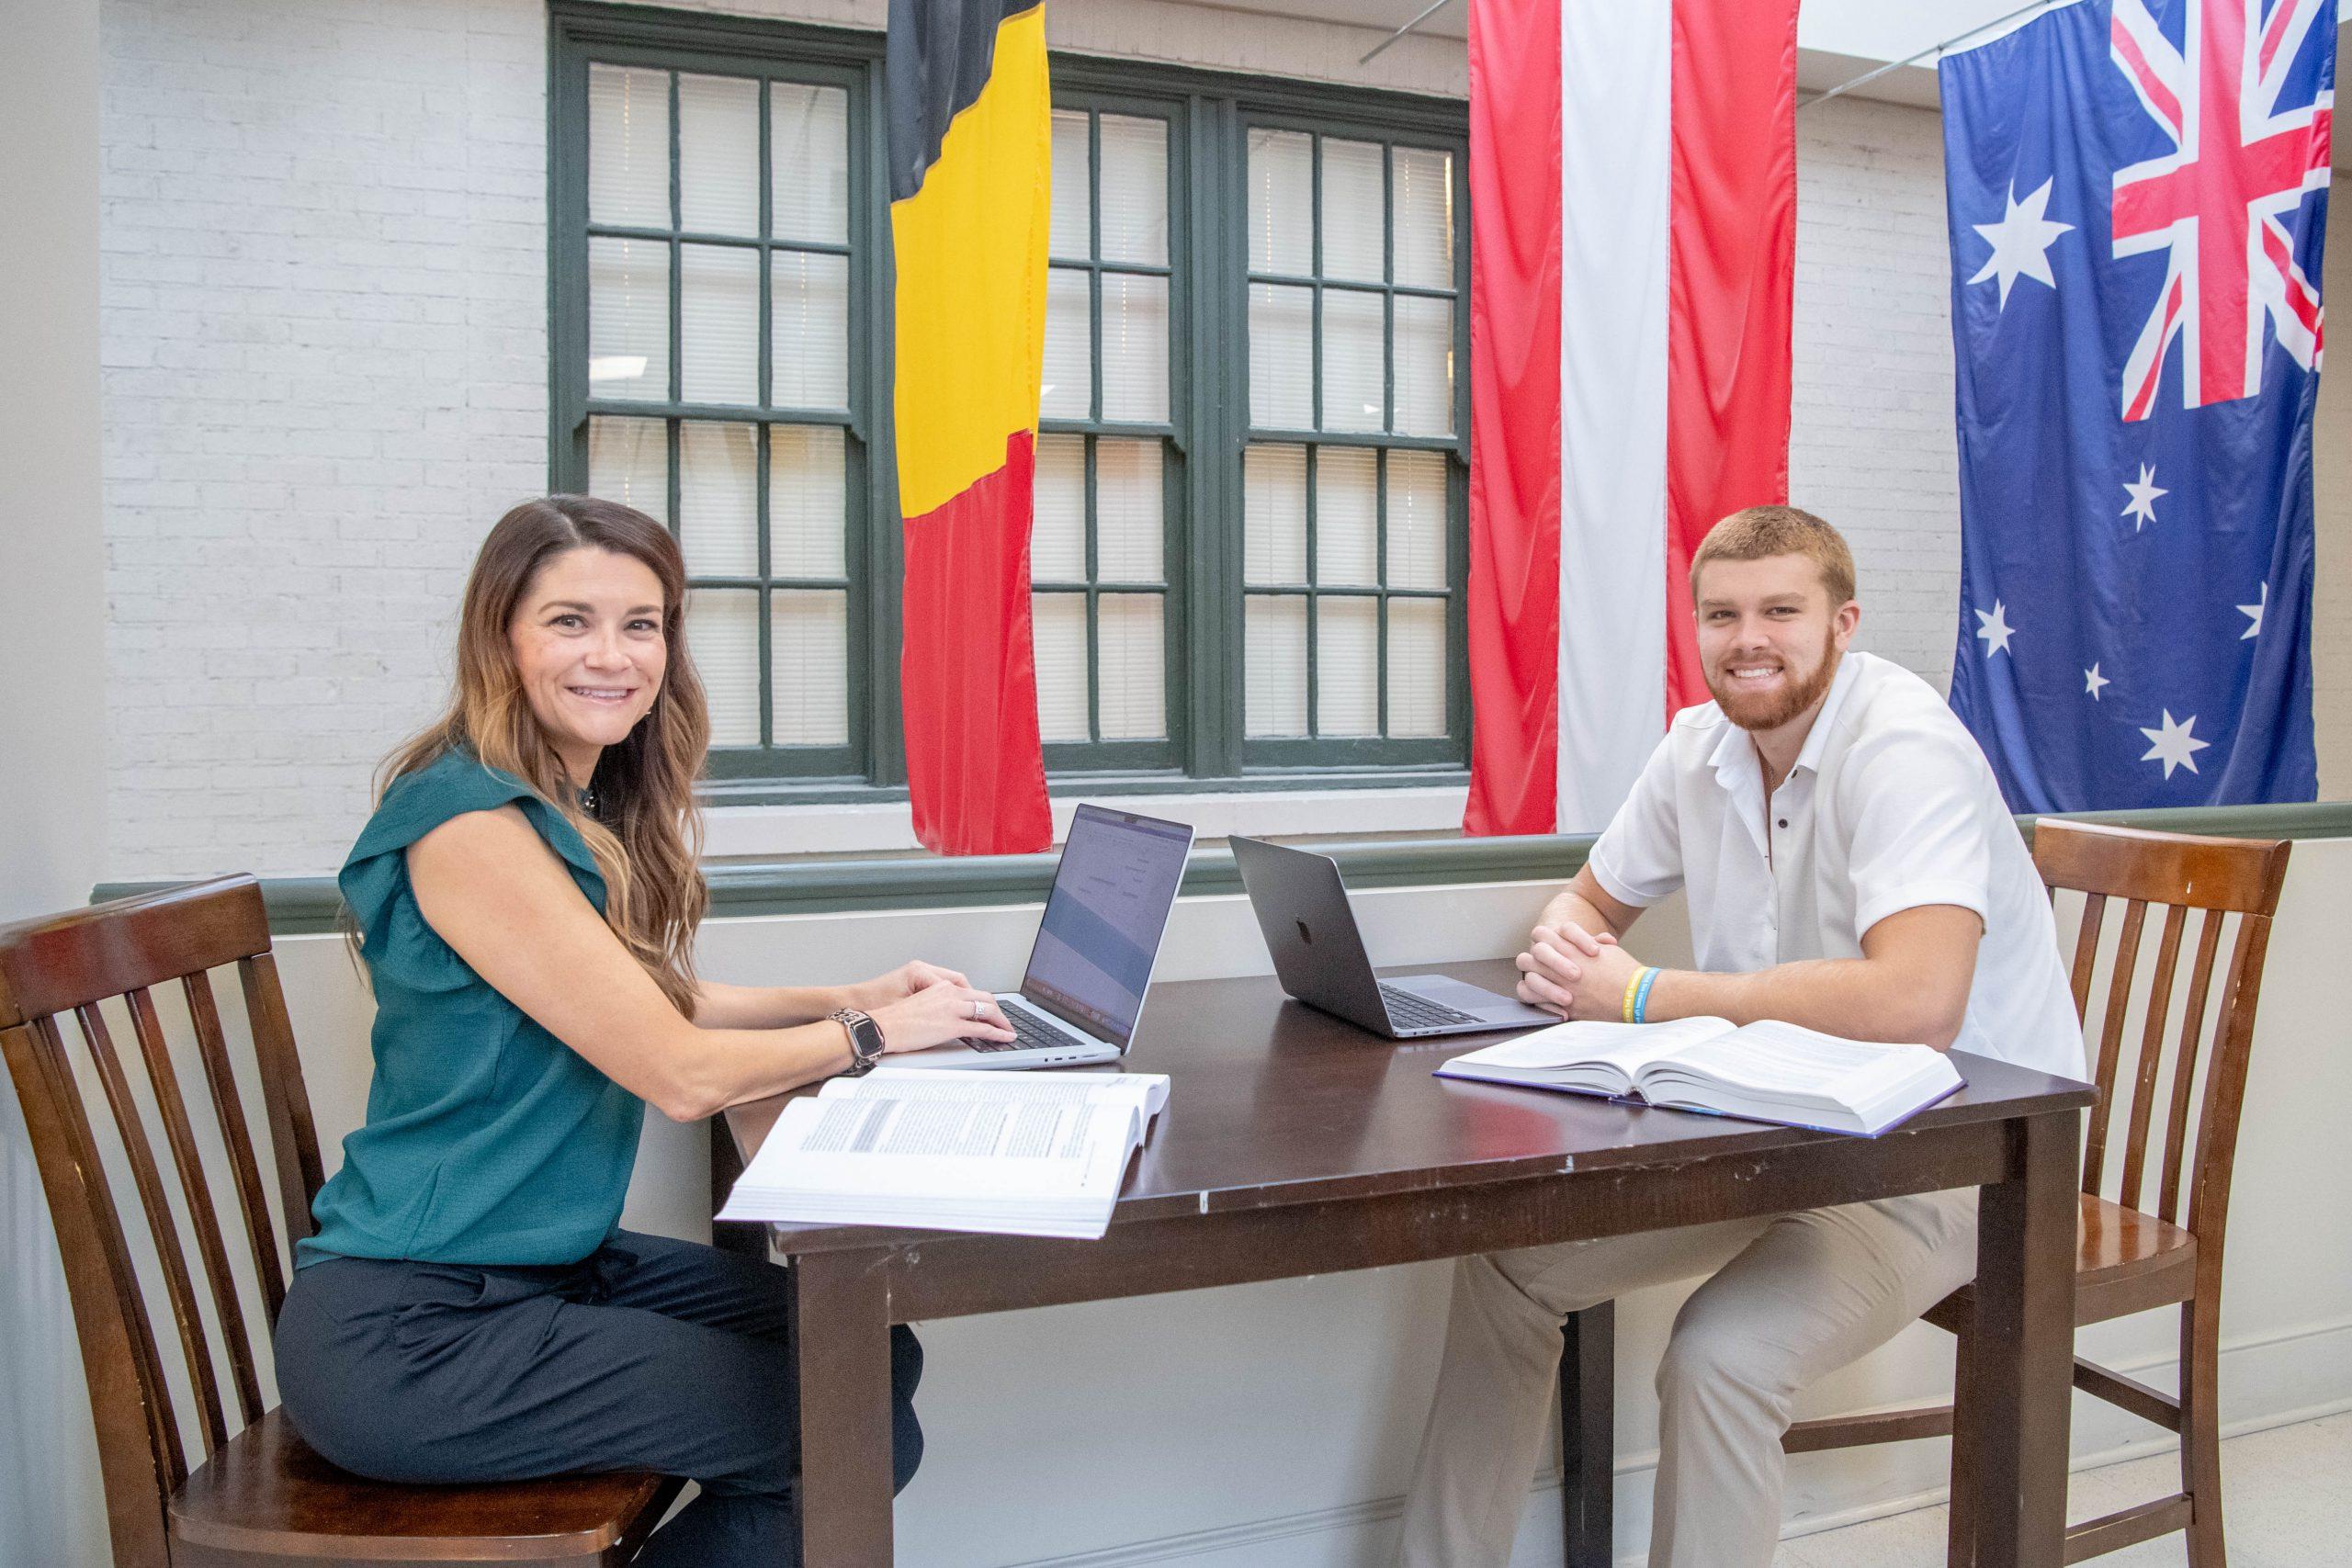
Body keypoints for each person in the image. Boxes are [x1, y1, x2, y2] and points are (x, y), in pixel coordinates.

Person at [273, 495, 1017, 1566]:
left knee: (871, 1345)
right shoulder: (472, 826)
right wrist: (871, 1034)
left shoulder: (550, 802)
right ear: (501, 637)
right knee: (840, 1422)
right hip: (416, 1333)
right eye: (570, 621)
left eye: (643, 622)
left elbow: (655, 1001)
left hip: (539, 1270)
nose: (613, 656)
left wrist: (847, 994)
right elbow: (677, 1071)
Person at [1392, 505, 2084, 1568]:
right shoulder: (1700, 747)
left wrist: (1639, 996)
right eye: (1721, 614)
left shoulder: (1905, 749)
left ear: (1842, 623)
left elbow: (1916, 1004)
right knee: (1508, 1262)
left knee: (1720, 1355)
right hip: (1768, 1135)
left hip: (1947, 1159)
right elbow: (1584, 909)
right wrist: (1562, 951)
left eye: (1779, 610)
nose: (1746, 638)